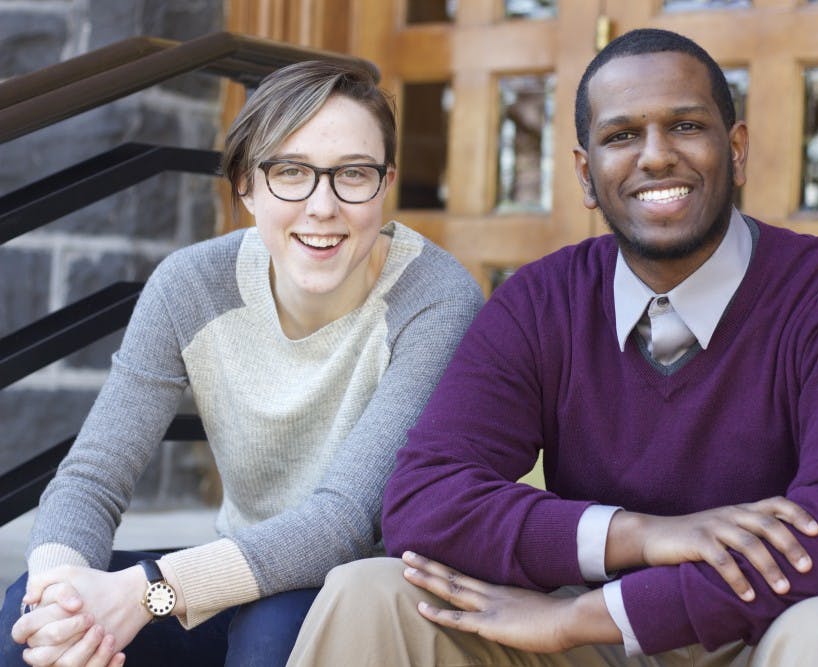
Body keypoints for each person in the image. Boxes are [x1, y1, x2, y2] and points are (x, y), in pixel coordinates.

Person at [286, 29, 818, 667]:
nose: (655, 156)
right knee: (369, 592)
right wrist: (642, 534)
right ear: (585, 172)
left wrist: (582, 617)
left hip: (771, 632)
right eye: (621, 135)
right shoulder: (540, 302)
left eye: (685, 125)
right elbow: (423, 503)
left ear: (736, 149)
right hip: (596, 644)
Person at [1, 58, 483, 667]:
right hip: (236, 574)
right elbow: (92, 478)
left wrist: (147, 589)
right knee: (29, 620)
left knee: (274, 630)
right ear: (246, 186)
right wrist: (61, 595)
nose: (322, 205)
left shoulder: (435, 298)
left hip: (376, 595)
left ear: (385, 186)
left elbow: (345, 523)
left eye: (352, 175)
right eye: (290, 172)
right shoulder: (191, 285)